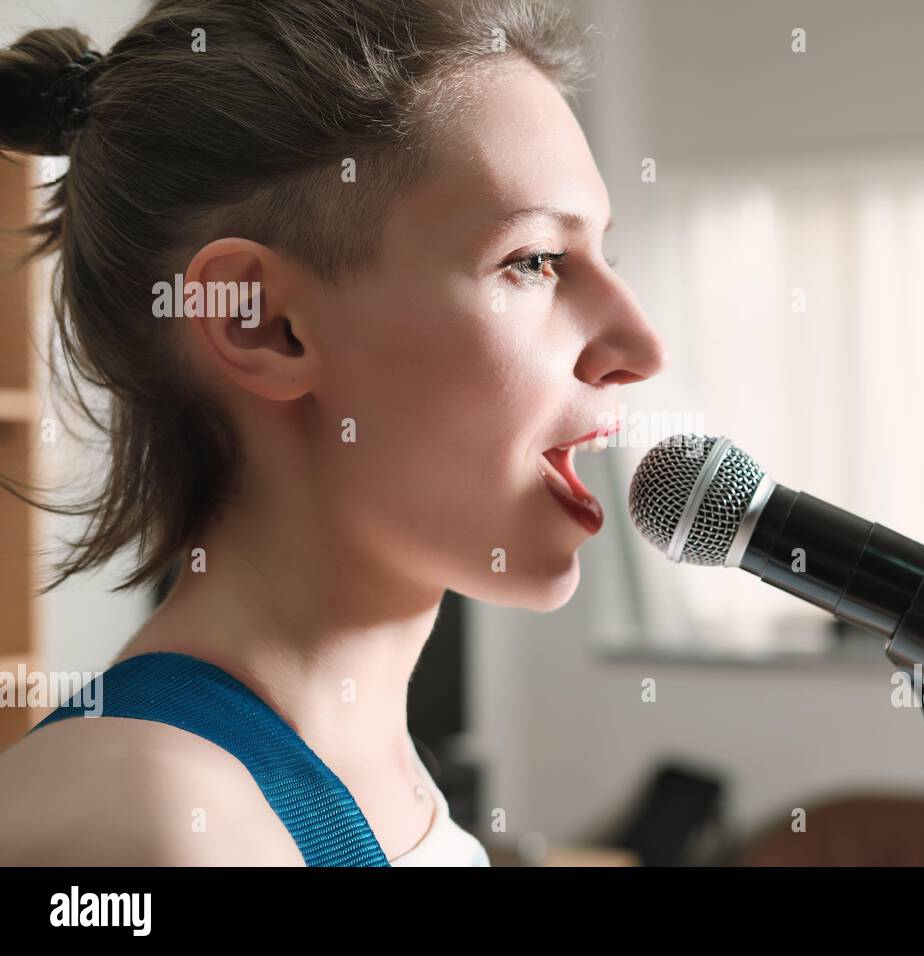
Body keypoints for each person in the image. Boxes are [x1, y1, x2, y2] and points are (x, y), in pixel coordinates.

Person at [0, 0, 669, 866]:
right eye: (534, 261)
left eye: (602, 258)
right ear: (263, 322)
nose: (641, 349)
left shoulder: (379, 780)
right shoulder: (149, 825)